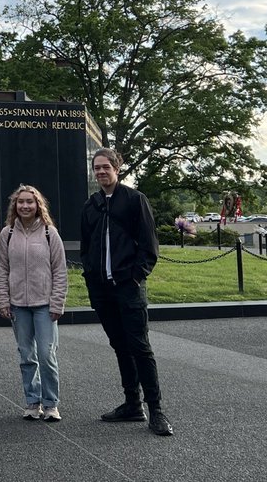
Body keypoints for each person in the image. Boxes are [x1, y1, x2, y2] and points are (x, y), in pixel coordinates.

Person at [79, 147, 174, 436]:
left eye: (105, 167)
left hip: (128, 288)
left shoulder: (134, 200)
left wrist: (135, 278)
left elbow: (149, 246)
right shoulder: (91, 205)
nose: (100, 172)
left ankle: (156, 409)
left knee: (140, 348)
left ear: (117, 169)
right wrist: (92, 279)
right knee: (119, 345)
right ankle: (132, 403)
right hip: (102, 289)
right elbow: (86, 247)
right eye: (96, 168)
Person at [0, 185, 67, 421]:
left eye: (30, 202)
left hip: (45, 304)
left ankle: (51, 403)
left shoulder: (49, 233)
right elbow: (2, 269)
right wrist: (3, 300)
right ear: (15, 206)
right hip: (18, 305)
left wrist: (57, 302)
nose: (25, 206)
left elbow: (60, 270)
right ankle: (32, 402)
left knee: (47, 355)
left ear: (38, 205)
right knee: (26, 355)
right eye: (21, 202)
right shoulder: (7, 234)